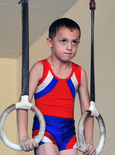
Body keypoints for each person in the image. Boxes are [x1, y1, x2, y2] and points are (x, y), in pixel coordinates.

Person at [17, 18, 95, 155]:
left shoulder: (80, 73)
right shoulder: (40, 68)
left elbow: (87, 111)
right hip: (45, 130)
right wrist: (23, 137)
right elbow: (23, 104)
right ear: (50, 42)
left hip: (69, 133)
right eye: (63, 41)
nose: (69, 47)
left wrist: (88, 141)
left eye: (74, 42)